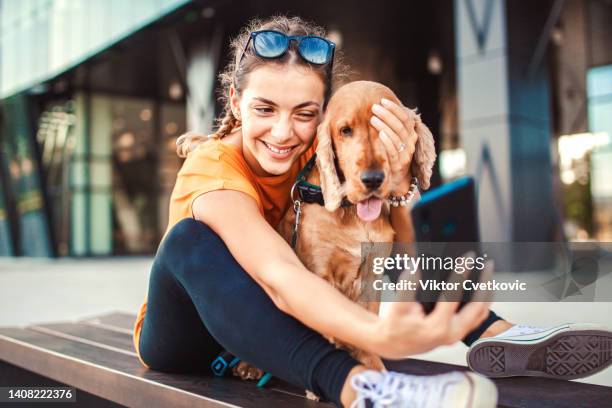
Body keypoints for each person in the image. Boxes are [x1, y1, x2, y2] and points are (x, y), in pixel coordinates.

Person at [132, 16, 611, 408]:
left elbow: (394, 249)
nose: (283, 132)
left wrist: (398, 177)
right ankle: (361, 388)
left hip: (281, 332)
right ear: (236, 102)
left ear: (321, 117)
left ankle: (493, 331)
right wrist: (377, 333)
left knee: (364, 224)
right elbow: (278, 277)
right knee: (188, 242)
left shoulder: (320, 152)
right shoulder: (212, 168)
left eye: (303, 113)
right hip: (192, 340)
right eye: (265, 109)